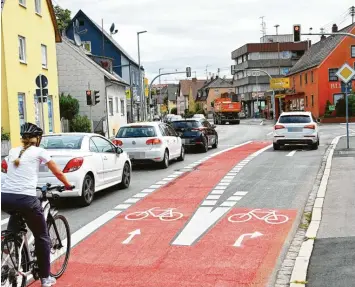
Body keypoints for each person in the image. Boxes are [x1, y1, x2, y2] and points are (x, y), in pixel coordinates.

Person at [1, 122, 73, 287]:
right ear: (37, 139)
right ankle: (46, 278)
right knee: (42, 237)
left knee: (17, 213)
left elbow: (6, 168)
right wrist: (67, 184)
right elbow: (57, 171)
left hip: (4, 198)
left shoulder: (13, 151)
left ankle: (10, 242)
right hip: (26, 199)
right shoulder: (39, 151)